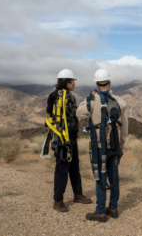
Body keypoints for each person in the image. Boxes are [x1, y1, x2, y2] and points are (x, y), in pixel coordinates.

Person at [76, 68, 128, 222]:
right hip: (115, 145)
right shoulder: (120, 102)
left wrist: (90, 97)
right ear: (110, 83)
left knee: (100, 176)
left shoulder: (92, 100)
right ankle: (113, 208)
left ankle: (100, 211)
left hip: (99, 145)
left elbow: (79, 113)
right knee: (113, 176)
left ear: (97, 84)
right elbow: (125, 124)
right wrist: (122, 142)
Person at [46, 69, 92, 212]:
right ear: (67, 82)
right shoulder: (60, 96)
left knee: (74, 166)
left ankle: (77, 194)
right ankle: (58, 200)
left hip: (71, 136)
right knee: (62, 168)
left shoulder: (63, 95)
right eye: (72, 81)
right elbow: (75, 113)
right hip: (62, 138)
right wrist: (88, 101)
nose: (74, 84)